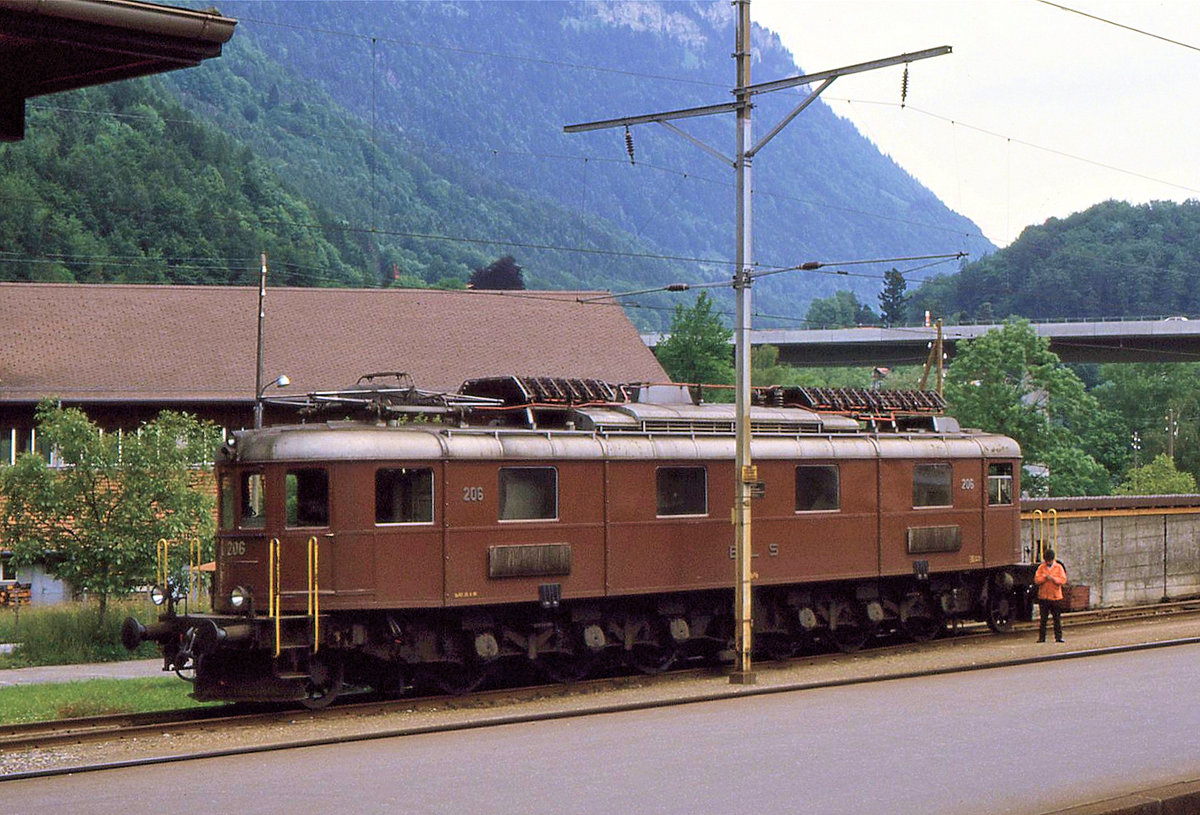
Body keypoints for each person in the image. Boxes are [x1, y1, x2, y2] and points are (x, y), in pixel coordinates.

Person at [1034, 548, 1067, 643]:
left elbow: (1063, 580)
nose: (1048, 562)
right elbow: (1036, 580)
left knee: (1057, 619)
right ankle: (1042, 638)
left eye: (1049, 560)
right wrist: (1044, 578)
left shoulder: (1058, 567)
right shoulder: (1041, 567)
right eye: (1046, 561)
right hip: (1044, 597)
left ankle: (1058, 637)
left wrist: (1053, 579)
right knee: (1043, 619)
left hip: (1055, 597)